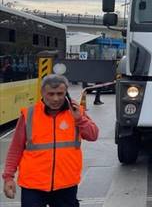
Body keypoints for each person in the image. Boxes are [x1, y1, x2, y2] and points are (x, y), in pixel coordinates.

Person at [2, 74, 99, 206]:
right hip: (33, 185)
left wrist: (80, 119)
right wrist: (8, 177)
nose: (55, 99)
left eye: (60, 94)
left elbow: (93, 135)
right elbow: (15, 149)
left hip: (65, 184)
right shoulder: (29, 114)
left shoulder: (76, 112)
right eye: (51, 94)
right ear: (42, 92)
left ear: (66, 93)